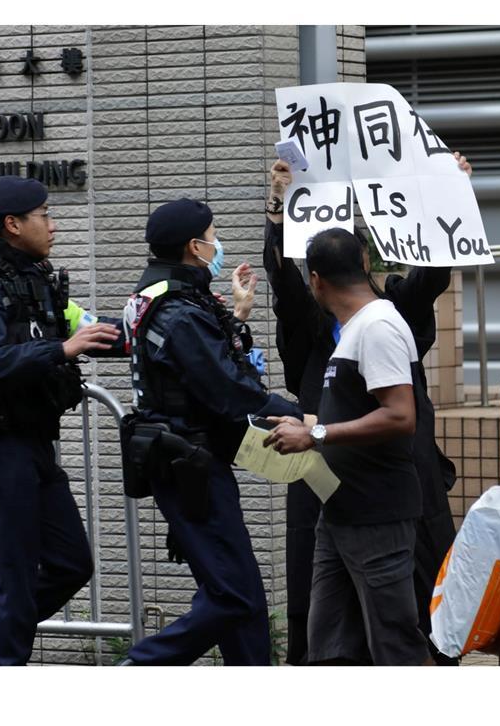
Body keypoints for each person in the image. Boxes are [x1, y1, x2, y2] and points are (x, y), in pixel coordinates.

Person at [262, 154, 471, 665]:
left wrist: (449, 195)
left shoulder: (383, 319)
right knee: (327, 624)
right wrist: (276, 208)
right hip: (328, 488)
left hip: (384, 483)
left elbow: (429, 277)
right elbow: (283, 283)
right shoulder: (315, 321)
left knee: (399, 613)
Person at [0, 176, 124, 666]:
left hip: (31, 439)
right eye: (44, 216)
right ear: (13, 225)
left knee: (70, 562)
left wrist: (156, 327)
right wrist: (59, 350)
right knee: (13, 575)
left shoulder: (35, 277)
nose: (54, 225)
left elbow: (91, 331)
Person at [116, 198, 305, 666]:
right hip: (189, 464)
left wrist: (238, 314)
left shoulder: (159, 295)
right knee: (234, 596)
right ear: (193, 247)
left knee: (242, 600)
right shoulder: (178, 310)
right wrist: (304, 415)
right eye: (212, 236)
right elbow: (228, 391)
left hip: (188, 460)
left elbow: (202, 361)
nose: (216, 244)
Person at [264, 228, 430, 666]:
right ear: (363, 263)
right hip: (339, 512)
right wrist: (306, 422)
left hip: (378, 513)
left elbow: (400, 416)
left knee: (395, 642)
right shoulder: (355, 328)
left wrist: (315, 435)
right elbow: (355, 409)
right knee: (328, 644)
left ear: (315, 279)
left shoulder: (378, 326)